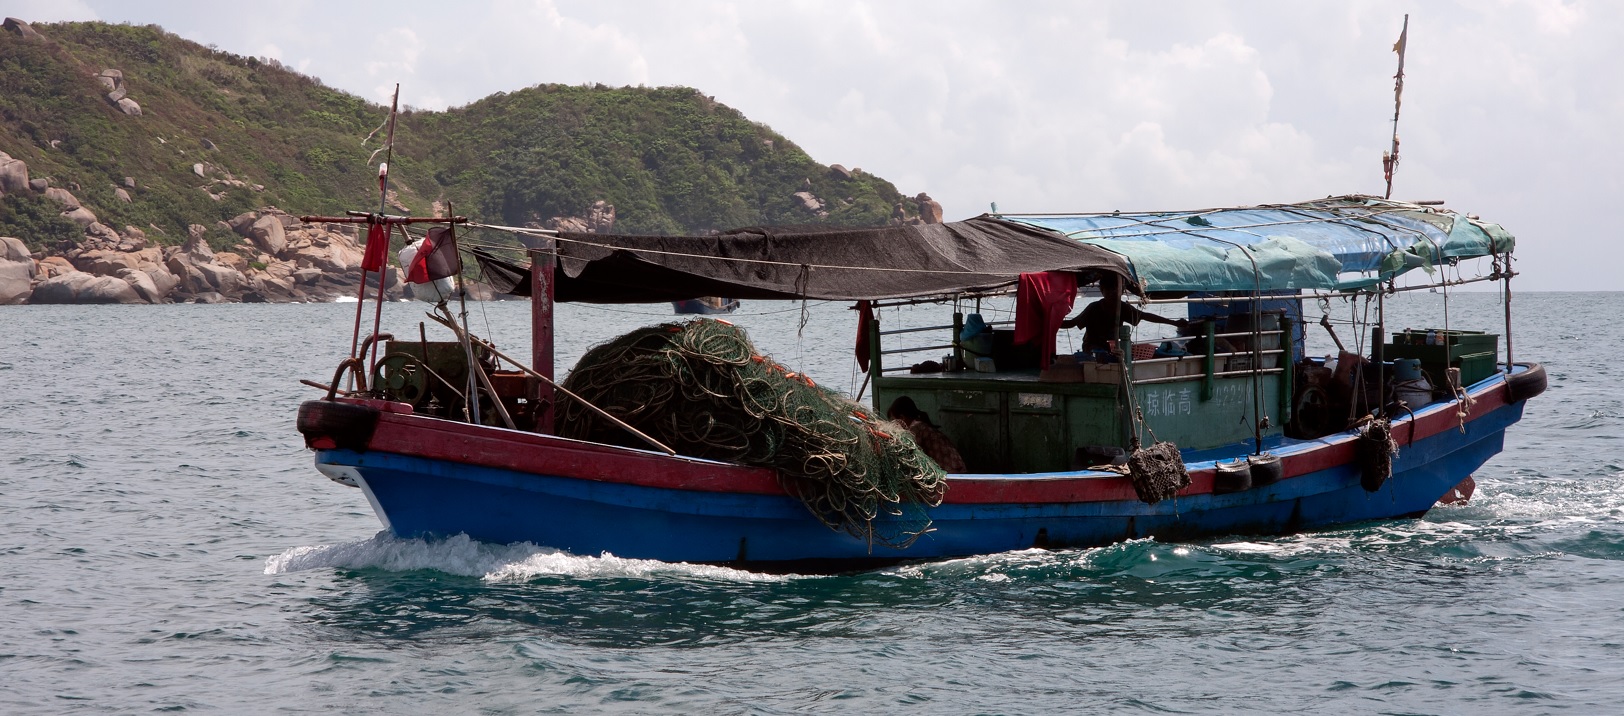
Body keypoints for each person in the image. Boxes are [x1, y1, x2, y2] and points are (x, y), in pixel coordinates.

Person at [1060, 275, 1187, 356]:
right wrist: (1049, 323)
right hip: (1093, 348)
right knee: (1098, 353)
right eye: (1108, 290)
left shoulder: (1123, 307)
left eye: (1115, 289)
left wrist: (1174, 323)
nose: (1112, 293)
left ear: (1121, 290)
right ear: (1102, 291)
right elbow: (1072, 323)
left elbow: (1145, 316)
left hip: (1115, 348)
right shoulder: (1094, 307)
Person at [886, 397, 967, 473]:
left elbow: (909, 454)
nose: (893, 425)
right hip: (956, 469)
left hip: (950, 472)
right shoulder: (921, 425)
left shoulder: (916, 428)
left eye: (893, 421)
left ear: (902, 418)